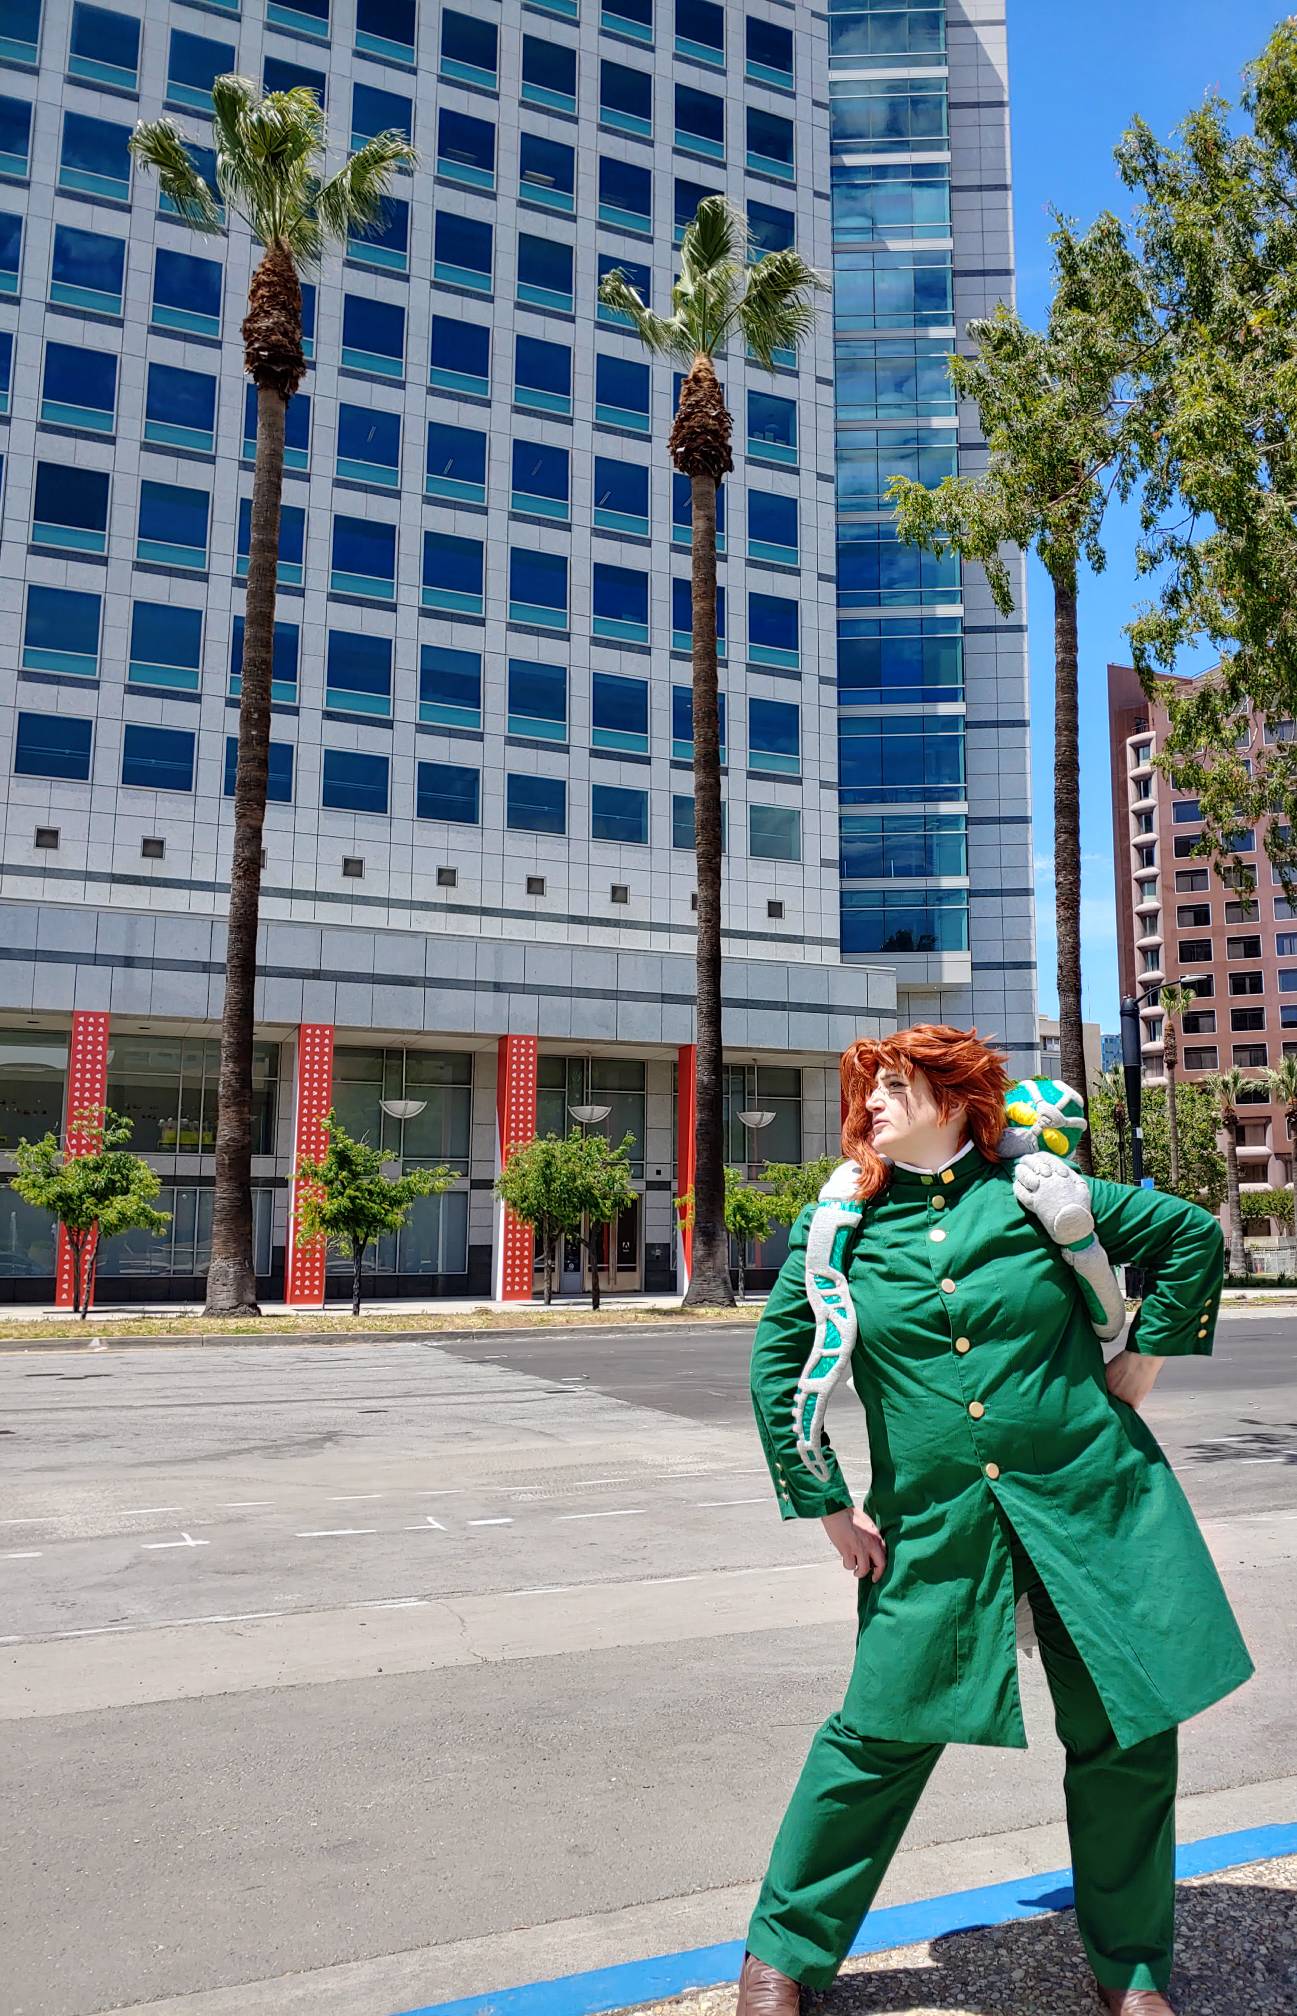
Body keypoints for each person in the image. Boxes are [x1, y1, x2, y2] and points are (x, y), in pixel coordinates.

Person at [740, 1024, 1253, 2016]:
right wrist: (826, 1502)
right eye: (868, 1092)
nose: (871, 1106)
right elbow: (775, 1366)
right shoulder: (841, 1228)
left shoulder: (1036, 1197)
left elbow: (1187, 1238)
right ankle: (782, 1958)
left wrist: (1141, 1357)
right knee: (876, 1734)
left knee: (1124, 1732)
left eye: (892, 1086)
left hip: (1093, 1501)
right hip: (931, 1528)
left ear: (953, 1097)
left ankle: (1132, 1971)